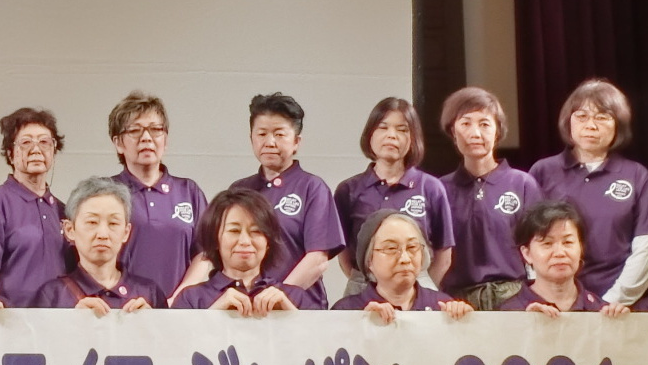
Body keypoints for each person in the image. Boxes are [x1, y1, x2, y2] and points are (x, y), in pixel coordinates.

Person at [528, 78, 648, 306]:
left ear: (618, 125)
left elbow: (645, 250)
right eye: (581, 116)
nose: (590, 126)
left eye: (602, 117)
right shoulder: (543, 172)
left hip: (615, 306)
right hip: (552, 303)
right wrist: (546, 294)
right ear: (568, 121)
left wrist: (610, 302)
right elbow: (528, 240)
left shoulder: (636, 176)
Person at [224, 92, 344, 299]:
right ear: (251, 138)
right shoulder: (238, 189)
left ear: (296, 141)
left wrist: (279, 295)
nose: (270, 142)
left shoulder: (312, 188)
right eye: (262, 134)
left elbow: (318, 259)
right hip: (246, 305)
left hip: (299, 306)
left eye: (279, 134)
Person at [334, 98, 455, 285]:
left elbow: (444, 253)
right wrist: (361, 283)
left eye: (402, 129)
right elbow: (343, 251)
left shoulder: (431, 187)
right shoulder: (348, 190)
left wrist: (422, 290)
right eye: (383, 127)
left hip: (417, 286)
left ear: (413, 139)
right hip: (364, 287)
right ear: (370, 134)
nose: (391, 135)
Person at [439, 86, 540, 310]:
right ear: (453, 132)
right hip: (457, 303)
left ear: (497, 131)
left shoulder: (522, 184)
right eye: (465, 123)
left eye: (484, 124)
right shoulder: (440, 189)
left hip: (514, 297)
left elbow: (538, 246)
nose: (475, 133)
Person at [107, 92, 208, 299]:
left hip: (177, 310)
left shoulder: (189, 191)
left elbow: (205, 254)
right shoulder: (105, 192)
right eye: (135, 130)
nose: (147, 138)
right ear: (118, 143)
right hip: (119, 308)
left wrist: (176, 301)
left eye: (155, 130)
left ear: (166, 139)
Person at [27, 177, 160, 311]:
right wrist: (71, 319)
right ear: (69, 230)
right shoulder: (52, 296)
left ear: (126, 232)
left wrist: (150, 320)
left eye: (113, 223)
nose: (103, 234)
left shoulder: (149, 293)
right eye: (92, 222)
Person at [0, 108, 69, 304]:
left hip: (60, 316)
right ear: (10, 154)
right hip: (10, 316)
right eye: (26, 142)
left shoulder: (63, 210)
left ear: (54, 152)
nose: (36, 150)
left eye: (44, 142)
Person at [169, 190, 309, 314]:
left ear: (268, 242)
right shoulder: (191, 299)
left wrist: (291, 315)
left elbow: (316, 336)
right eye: (234, 231)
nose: (245, 241)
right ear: (215, 239)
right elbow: (178, 337)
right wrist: (214, 313)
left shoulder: (296, 297)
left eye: (256, 231)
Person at [331, 209, 471, 321]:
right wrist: (362, 326)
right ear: (369, 261)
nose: (405, 259)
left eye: (412, 247)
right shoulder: (346, 311)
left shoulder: (442, 306)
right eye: (391, 248)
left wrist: (464, 321)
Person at [504, 201, 612, 314]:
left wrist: (619, 321)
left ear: (581, 248)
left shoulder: (600, 311)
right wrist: (527, 322)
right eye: (547, 243)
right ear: (527, 254)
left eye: (568, 242)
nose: (560, 253)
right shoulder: (507, 313)